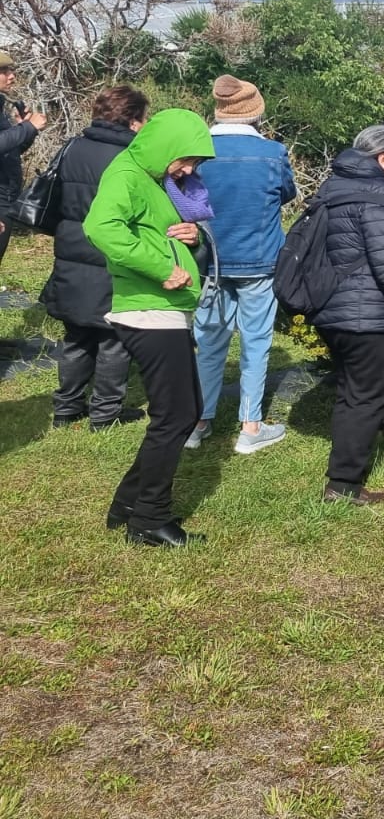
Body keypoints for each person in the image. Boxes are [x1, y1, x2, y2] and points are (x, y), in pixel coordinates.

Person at [84, 109, 215, 547]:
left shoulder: (153, 177)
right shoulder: (126, 174)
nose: (189, 170)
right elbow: (100, 227)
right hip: (147, 309)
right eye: (187, 160)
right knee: (174, 416)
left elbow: (152, 231)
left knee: (185, 410)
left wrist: (187, 236)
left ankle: (127, 506)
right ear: (166, 146)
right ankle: (149, 520)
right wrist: (161, 268)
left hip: (164, 308)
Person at [304, 126, 384, 504]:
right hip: (368, 316)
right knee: (369, 397)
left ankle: (344, 471)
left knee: (352, 391)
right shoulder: (377, 199)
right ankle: (343, 485)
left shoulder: (332, 189)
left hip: (333, 310)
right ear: (383, 158)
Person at [189, 75, 298, 455]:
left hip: (211, 259)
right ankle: (250, 426)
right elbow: (287, 193)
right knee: (256, 342)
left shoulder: (198, 151)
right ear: (255, 112)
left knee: (209, 342)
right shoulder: (272, 153)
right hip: (260, 259)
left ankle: (198, 422)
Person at [41, 86, 147, 431]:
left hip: (71, 247)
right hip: (114, 252)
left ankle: (66, 408)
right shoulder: (135, 156)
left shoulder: (72, 146)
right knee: (114, 337)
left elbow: (54, 199)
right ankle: (105, 413)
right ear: (133, 120)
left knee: (76, 335)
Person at [0, 50, 48, 265]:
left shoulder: (1, 105)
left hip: (6, 198)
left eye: (11, 70)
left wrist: (25, 129)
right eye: (4, 70)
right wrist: (28, 127)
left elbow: (9, 152)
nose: (12, 76)